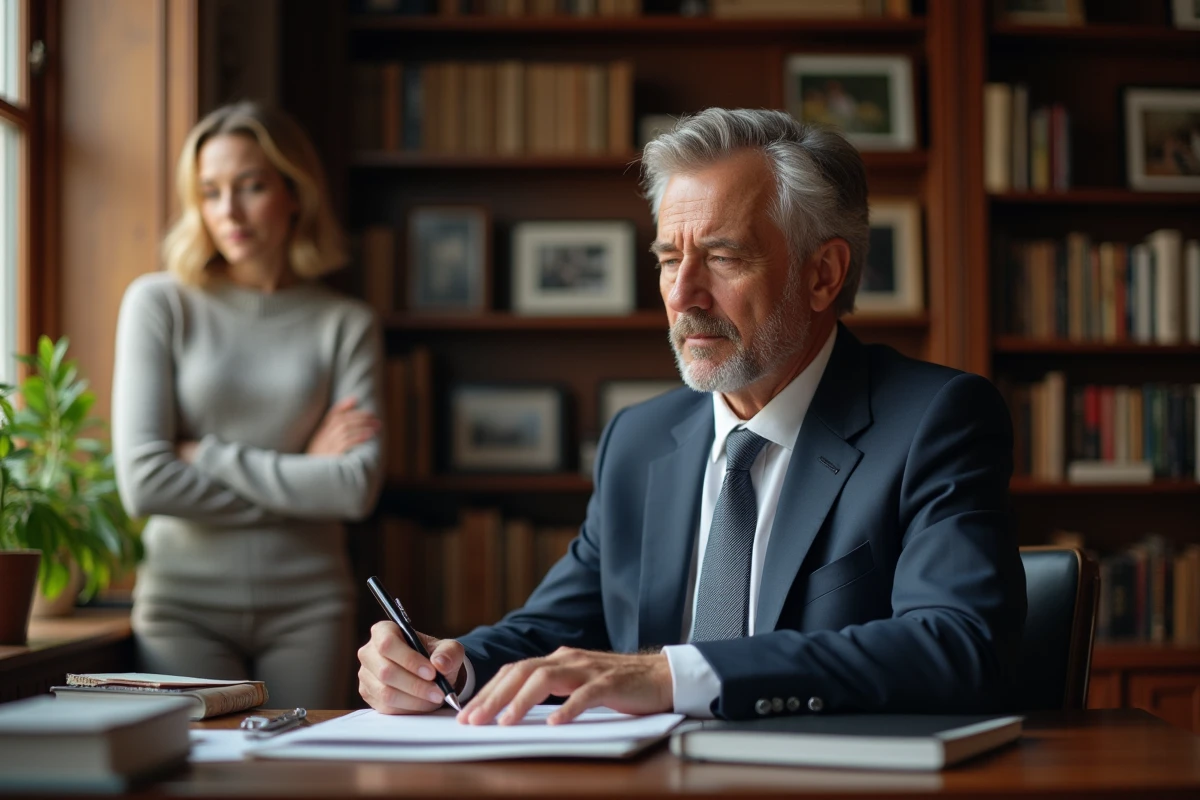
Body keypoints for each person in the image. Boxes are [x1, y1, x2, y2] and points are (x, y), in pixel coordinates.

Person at [358, 108, 1026, 724]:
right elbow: (556, 629)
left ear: (823, 275)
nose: (683, 295)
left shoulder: (935, 420)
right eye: (670, 258)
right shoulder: (640, 439)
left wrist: (674, 676)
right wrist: (447, 666)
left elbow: (957, 645)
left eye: (724, 257)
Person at [112, 101, 385, 708]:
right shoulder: (160, 304)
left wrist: (205, 455)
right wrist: (303, 473)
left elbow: (353, 489)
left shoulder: (344, 323)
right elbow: (144, 483)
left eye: (251, 187)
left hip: (310, 604)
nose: (227, 211)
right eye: (209, 192)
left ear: (295, 193)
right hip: (181, 605)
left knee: (299, 778)